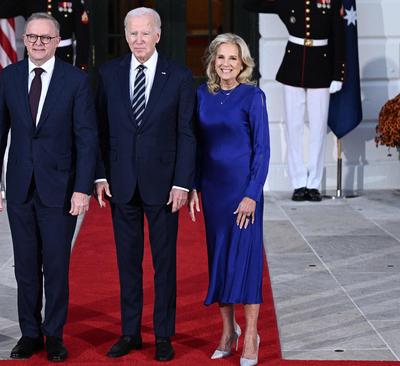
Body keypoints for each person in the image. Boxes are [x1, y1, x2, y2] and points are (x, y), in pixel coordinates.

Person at [0, 12, 97, 363]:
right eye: (32, 37)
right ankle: (29, 334)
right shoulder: (10, 76)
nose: (37, 43)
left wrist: (82, 188)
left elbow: (86, 138)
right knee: (25, 267)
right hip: (19, 187)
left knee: (56, 267)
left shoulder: (75, 81)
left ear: (57, 41)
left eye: (45, 38)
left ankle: (54, 335)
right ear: (24, 40)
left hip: (60, 190)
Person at [94, 7, 195, 362]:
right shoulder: (108, 74)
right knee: (127, 263)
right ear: (125, 35)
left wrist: (183, 182)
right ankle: (130, 332)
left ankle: (163, 335)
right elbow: (99, 131)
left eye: (144, 33)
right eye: (132, 33)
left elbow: (186, 133)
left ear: (158, 34)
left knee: (164, 263)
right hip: (121, 184)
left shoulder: (180, 76)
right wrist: (101, 174)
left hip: (165, 186)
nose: (138, 40)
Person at [188, 33, 270, 366]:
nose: (226, 64)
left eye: (233, 58)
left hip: (243, 191)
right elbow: (194, 145)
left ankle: (251, 334)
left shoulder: (253, 96)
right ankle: (227, 332)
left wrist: (252, 193)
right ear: (212, 61)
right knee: (219, 260)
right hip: (213, 191)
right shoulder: (201, 96)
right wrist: (193, 185)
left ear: (243, 63)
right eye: (220, 57)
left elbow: (262, 150)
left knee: (246, 262)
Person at [244, 0, 345, 202]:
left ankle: (313, 184)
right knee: (293, 127)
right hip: (293, 65)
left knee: (318, 129)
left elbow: (339, 38)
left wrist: (338, 74)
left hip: (321, 66)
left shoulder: (331, 1)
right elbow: (251, 5)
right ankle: (298, 183)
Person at [0, 0, 90, 70]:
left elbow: (83, 38)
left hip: (62, 57)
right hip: (34, 58)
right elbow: (1, 11)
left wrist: (79, 69)